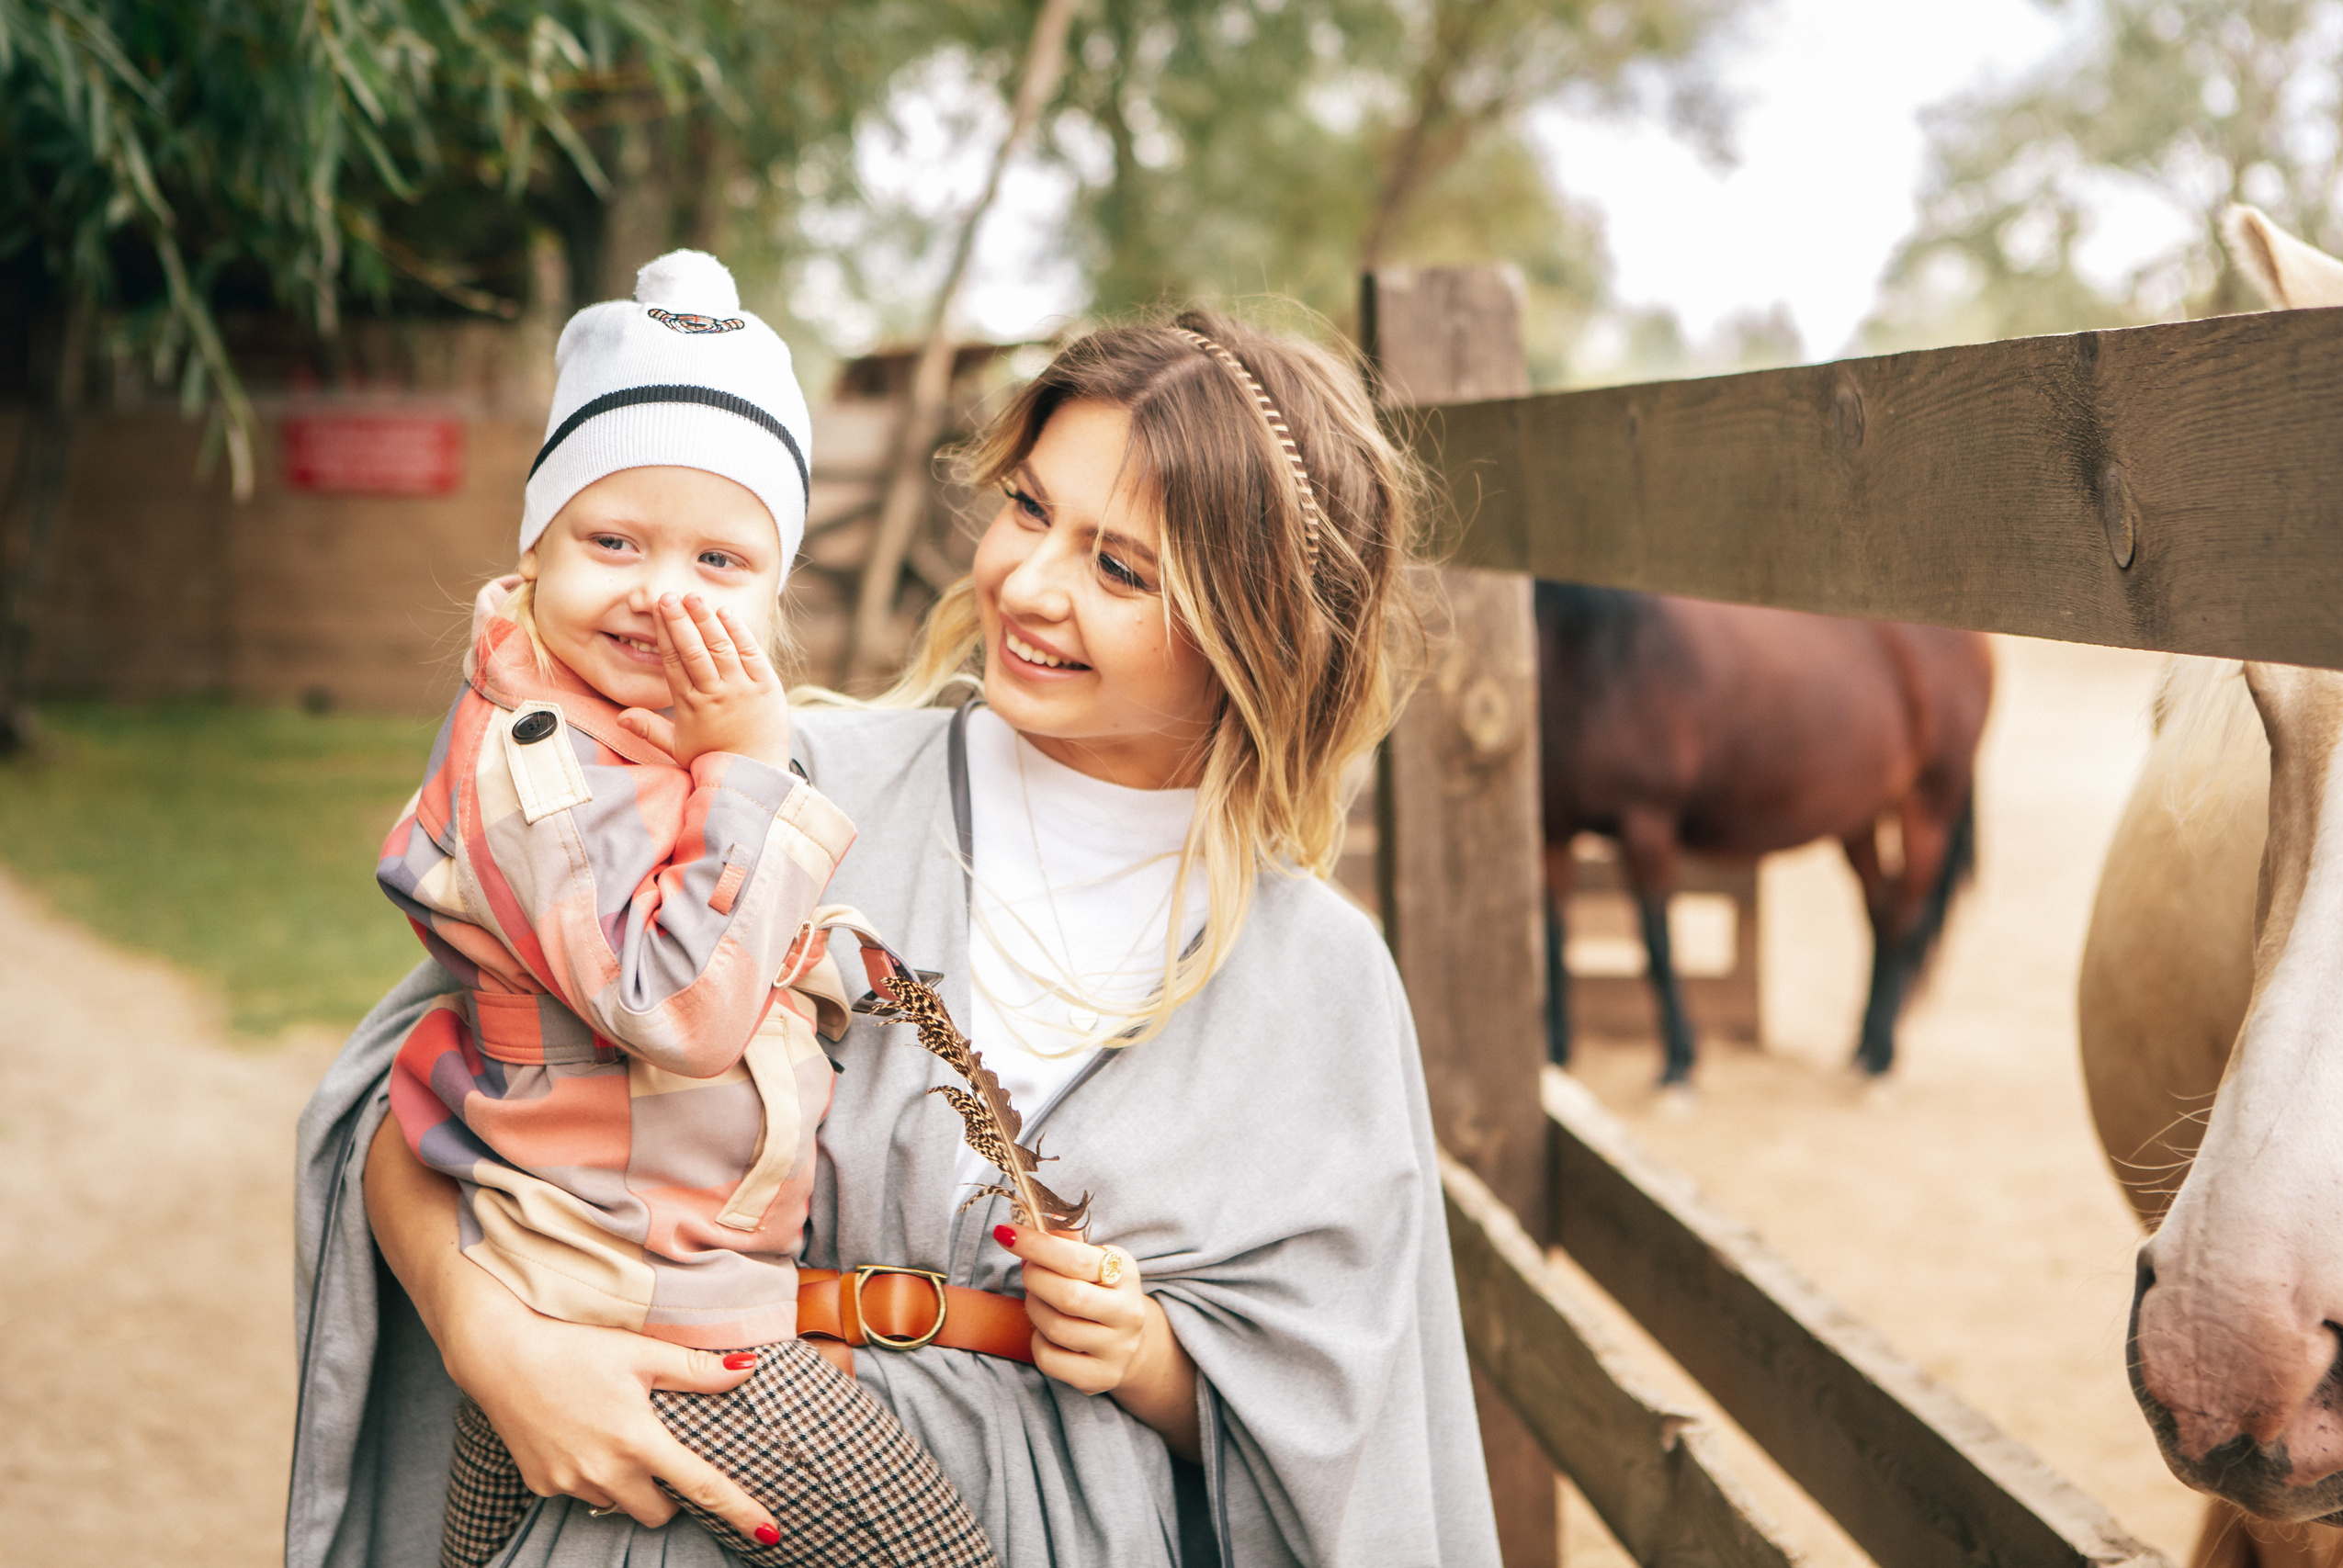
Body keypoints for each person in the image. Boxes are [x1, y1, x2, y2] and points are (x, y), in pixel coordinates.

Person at [289, 307, 1505, 1568]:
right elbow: (413, 1107)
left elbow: (1358, 1437)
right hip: (662, 1515)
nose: (1028, 585)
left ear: (1262, 629)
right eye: (1030, 510)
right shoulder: (771, 795)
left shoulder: (1318, 982)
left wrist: (1152, 1360)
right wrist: (497, 1341)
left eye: (1121, 568)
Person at [369, 245, 993, 1568]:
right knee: (935, 1553)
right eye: (614, 541)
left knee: (481, 1550)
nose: (665, 590)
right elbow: (670, 1004)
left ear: (777, 593)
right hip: (645, 1290)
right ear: (534, 546)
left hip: (604, 1255)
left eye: (721, 559)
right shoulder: (542, 754)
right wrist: (753, 767)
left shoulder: (628, 734)